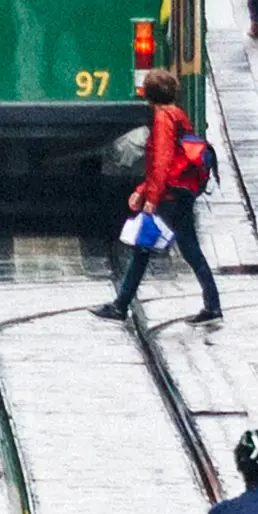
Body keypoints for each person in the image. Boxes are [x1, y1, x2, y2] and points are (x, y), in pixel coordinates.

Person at [100, 72, 224, 326]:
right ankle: (212, 305)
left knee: (145, 248)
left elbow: (162, 161)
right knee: (184, 248)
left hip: (169, 195)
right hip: (181, 190)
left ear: (148, 94)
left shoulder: (162, 118)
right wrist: (142, 189)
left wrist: (151, 197)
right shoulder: (178, 115)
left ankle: (120, 306)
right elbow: (173, 158)